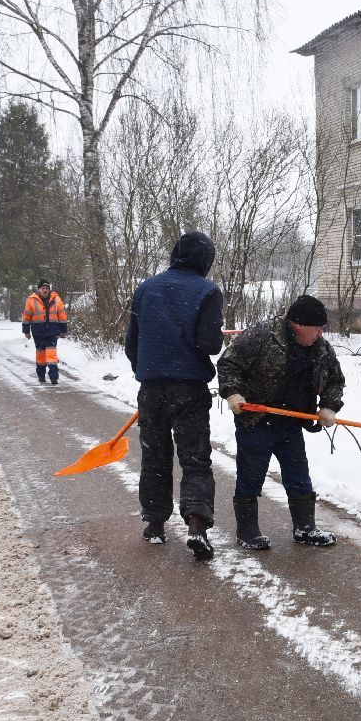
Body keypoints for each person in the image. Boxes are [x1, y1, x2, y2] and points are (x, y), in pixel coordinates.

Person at [216, 295, 346, 550]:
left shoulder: (320, 348)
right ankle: (247, 531)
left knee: (298, 476)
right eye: (317, 327)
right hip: (256, 419)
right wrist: (233, 393)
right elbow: (229, 363)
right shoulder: (263, 335)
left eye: (323, 328)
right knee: (251, 476)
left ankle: (305, 527)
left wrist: (329, 405)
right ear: (297, 324)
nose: (320, 334)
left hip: (291, 422)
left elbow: (335, 380)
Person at [125, 231, 225, 560]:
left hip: (152, 389)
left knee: (155, 459)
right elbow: (210, 344)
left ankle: (155, 525)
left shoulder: (145, 289)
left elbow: (131, 345)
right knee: (195, 460)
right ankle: (196, 525)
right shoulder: (207, 292)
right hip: (190, 390)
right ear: (204, 261)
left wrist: (151, 369)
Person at [21, 279, 69, 384]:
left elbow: (62, 316)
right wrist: (26, 331)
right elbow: (26, 316)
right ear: (39, 289)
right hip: (38, 333)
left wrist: (63, 330)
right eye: (43, 288)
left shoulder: (56, 299)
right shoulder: (31, 300)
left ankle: (53, 377)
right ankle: (41, 375)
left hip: (52, 332)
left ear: (49, 289)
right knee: (41, 356)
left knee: (52, 356)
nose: (45, 290)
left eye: (47, 288)